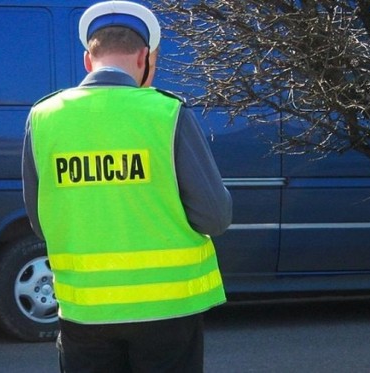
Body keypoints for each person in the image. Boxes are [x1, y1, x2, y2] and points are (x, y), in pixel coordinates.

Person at [21, 1, 232, 372]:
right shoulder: (167, 114)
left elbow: (41, 220)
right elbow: (214, 216)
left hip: (83, 312)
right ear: (144, 57)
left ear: (89, 60)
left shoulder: (43, 118)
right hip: (168, 312)